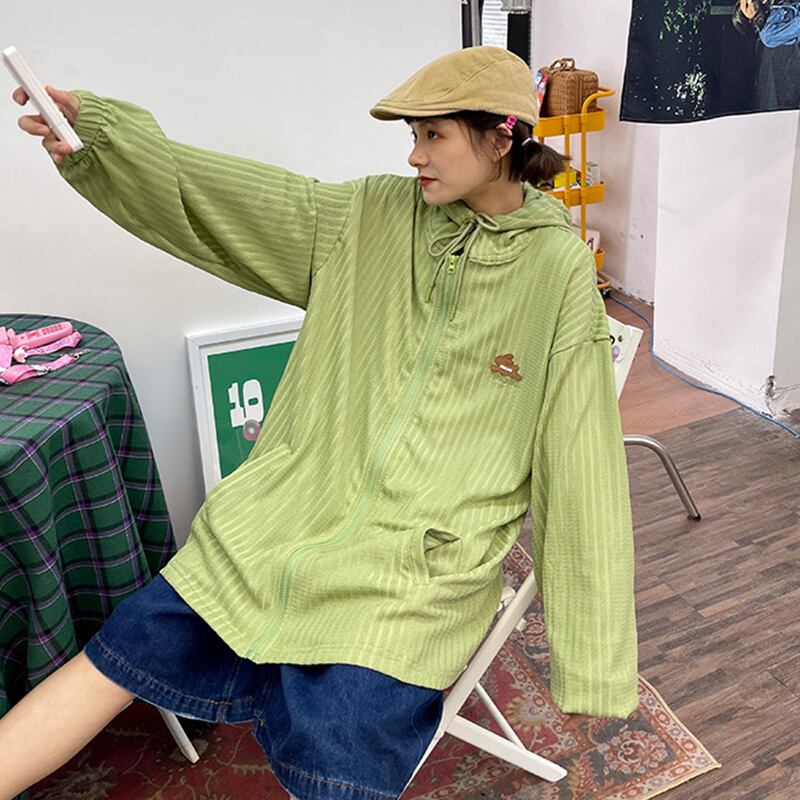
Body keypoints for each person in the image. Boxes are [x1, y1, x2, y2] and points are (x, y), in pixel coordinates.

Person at [1, 45, 639, 800]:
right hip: (287, 514)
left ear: (501, 137)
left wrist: (590, 662)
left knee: (344, 747)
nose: (414, 155)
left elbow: (581, 464)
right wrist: (101, 141)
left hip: (415, 571)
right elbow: (226, 194)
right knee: (116, 653)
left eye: (434, 135)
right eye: (413, 135)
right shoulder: (368, 215)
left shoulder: (557, 273)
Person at [733, 0, 800, 47]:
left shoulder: (768, 9)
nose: (750, 1)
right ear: (748, 21)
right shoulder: (768, 35)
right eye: (747, 6)